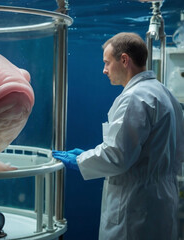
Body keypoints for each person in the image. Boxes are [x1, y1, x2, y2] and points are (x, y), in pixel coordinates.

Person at [53, 32, 184, 239]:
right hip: (162, 203)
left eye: (107, 62)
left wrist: (80, 161)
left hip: (135, 209)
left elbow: (117, 157)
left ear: (124, 60)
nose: (104, 70)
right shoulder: (164, 94)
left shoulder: (134, 98)